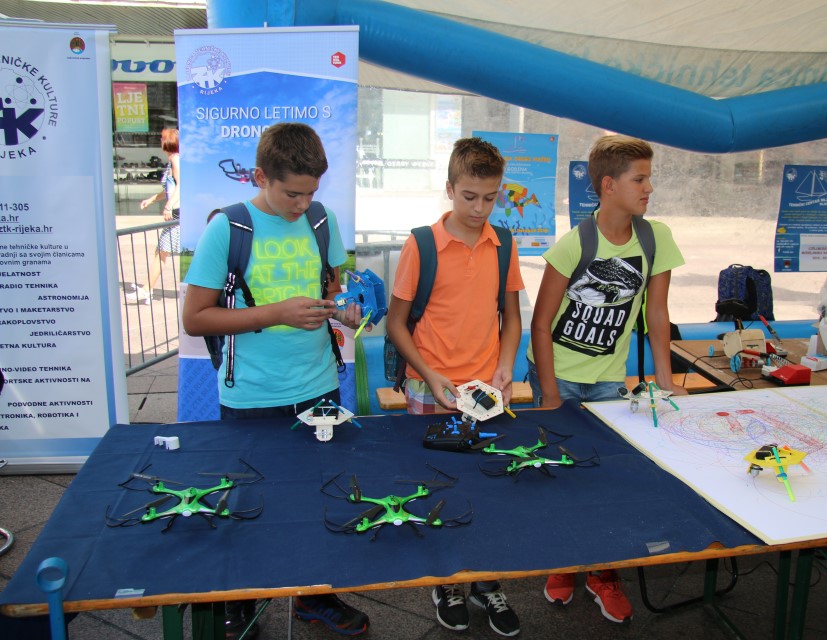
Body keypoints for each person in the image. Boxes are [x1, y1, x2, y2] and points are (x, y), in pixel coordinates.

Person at [182, 122, 369, 639]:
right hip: (252, 393)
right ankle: (242, 600)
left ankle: (315, 596)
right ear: (261, 176)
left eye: (311, 192)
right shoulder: (228, 228)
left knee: (319, 495)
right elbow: (195, 318)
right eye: (293, 194)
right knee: (248, 500)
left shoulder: (321, 219)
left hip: (318, 384)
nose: (303, 204)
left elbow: (331, 291)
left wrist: (343, 311)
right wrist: (276, 313)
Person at [528, 134, 686, 623]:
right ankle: (564, 562)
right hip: (557, 377)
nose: (649, 188)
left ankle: (604, 572)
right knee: (559, 475)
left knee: (606, 480)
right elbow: (540, 324)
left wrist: (665, 380)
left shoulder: (656, 238)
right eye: (640, 179)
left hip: (608, 382)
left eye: (649, 178)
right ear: (608, 185)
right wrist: (549, 393)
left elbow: (657, 314)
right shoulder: (575, 244)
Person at [386, 137, 524, 637]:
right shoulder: (421, 244)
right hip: (431, 388)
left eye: (490, 197)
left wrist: (505, 367)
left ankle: (486, 580)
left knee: (488, 485)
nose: (479, 208)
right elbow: (395, 323)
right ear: (449, 189)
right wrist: (429, 374)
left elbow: (512, 316)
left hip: (486, 390)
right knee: (437, 485)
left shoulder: (503, 243)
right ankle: (447, 580)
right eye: (469, 196)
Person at [126, 128, 181, 304]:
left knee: (162, 252)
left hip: (177, 215)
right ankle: (146, 289)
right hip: (176, 213)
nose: (160, 142)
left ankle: (146, 290)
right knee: (162, 252)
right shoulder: (173, 160)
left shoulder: (175, 159)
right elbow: (169, 189)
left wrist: (169, 206)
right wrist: (151, 200)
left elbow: (181, 186)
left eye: (162, 139)